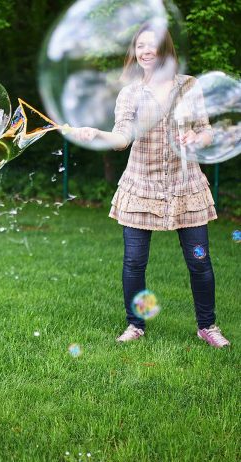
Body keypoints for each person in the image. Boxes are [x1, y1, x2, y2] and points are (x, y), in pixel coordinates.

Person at [72, 21, 230, 348]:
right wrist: (97, 134)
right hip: (140, 185)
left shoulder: (189, 87)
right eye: (139, 45)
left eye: (151, 44)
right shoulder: (130, 92)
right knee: (133, 262)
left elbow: (207, 131)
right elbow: (122, 138)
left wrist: (195, 137)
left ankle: (207, 326)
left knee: (200, 261)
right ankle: (135, 324)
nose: (145, 51)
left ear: (164, 49)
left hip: (186, 187)